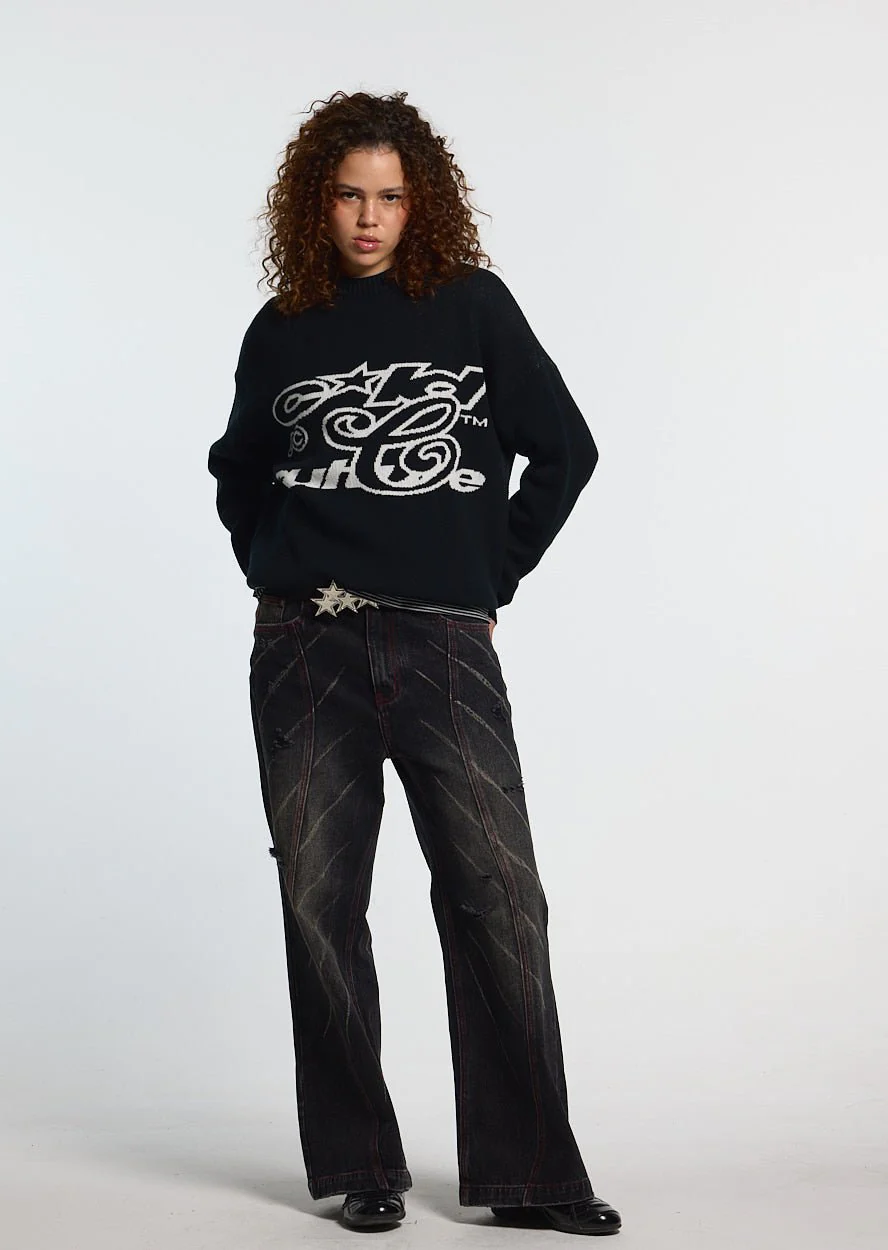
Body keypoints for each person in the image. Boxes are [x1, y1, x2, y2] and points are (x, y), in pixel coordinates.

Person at [208, 89, 620, 1236]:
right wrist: (276, 571)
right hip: (308, 646)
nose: (368, 218)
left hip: (444, 644)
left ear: (419, 203)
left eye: (389, 197)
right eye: (348, 195)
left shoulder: (471, 307)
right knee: (319, 901)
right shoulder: (282, 328)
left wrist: (490, 576)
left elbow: (565, 449)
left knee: (498, 894)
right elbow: (237, 470)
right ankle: (360, 1166)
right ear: (315, 203)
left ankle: (532, 1173)